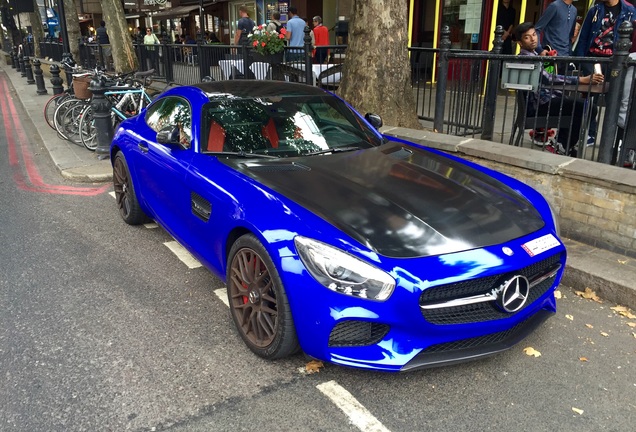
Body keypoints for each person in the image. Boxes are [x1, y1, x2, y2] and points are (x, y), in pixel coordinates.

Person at [515, 22, 604, 156]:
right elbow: (548, 79)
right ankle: (562, 145)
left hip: (544, 101)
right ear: (520, 42)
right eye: (527, 37)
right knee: (586, 108)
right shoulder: (527, 58)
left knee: (579, 106)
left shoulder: (534, 55)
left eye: (534, 34)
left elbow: (548, 79)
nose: (533, 39)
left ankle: (562, 144)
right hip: (539, 105)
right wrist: (581, 80)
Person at [574, 0, 635, 146]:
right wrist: (582, 61)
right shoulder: (595, 10)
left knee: (614, 100)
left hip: (615, 62)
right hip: (594, 59)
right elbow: (584, 36)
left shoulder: (629, 10)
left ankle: (614, 138)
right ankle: (591, 133)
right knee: (590, 99)